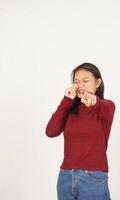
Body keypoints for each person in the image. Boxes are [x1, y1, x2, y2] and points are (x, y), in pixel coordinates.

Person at [45, 62, 115, 200]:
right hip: (66, 177)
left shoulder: (106, 107)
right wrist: (67, 100)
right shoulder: (70, 109)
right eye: (76, 82)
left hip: (93, 179)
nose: (80, 85)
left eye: (85, 81)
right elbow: (50, 131)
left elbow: (100, 104)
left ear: (98, 82)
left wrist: (93, 100)